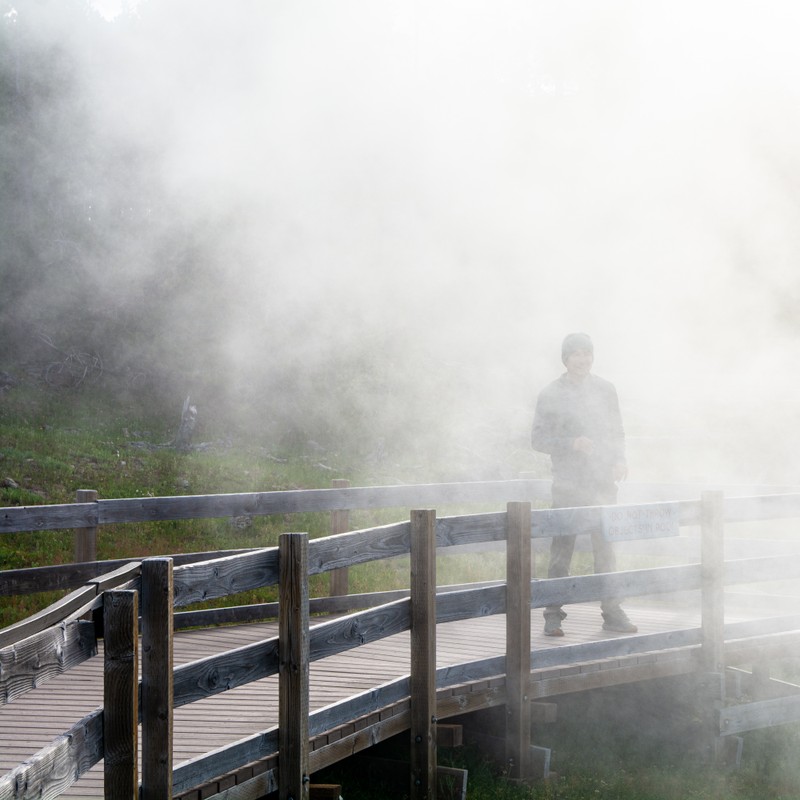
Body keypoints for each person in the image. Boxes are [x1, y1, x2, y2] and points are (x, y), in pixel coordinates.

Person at [531, 332, 637, 636]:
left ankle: (612, 611)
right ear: (566, 359)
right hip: (567, 482)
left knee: (606, 547)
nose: (582, 359)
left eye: (587, 354)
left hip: (602, 481)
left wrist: (620, 459)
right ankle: (553, 614)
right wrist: (571, 443)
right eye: (576, 354)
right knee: (561, 548)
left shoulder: (605, 389)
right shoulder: (550, 393)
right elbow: (538, 439)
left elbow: (617, 430)